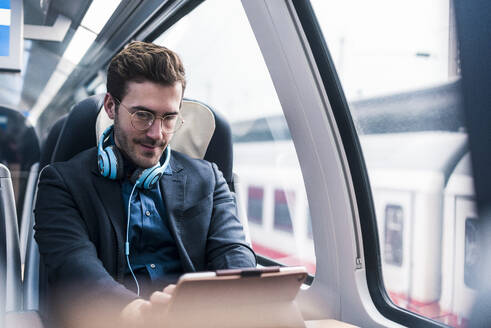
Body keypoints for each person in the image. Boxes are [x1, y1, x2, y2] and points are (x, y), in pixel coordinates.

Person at [34, 41, 256, 327]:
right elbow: (75, 269)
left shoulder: (208, 178)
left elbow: (232, 252)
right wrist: (137, 314)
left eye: (169, 118)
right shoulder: (62, 183)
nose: (157, 133)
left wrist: (241, 297)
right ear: (111, 106)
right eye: (143, 115)